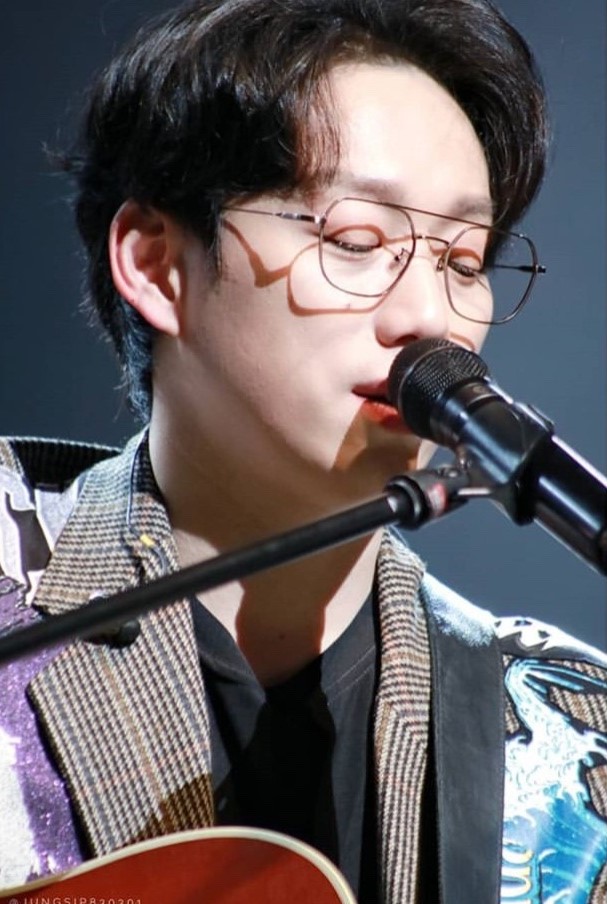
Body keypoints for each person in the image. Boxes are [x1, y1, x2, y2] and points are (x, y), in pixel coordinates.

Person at [0, 0, 606, 901]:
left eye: (464, 260)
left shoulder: (571, 737)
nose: (430, 318)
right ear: (158, 265)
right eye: (356, 241)